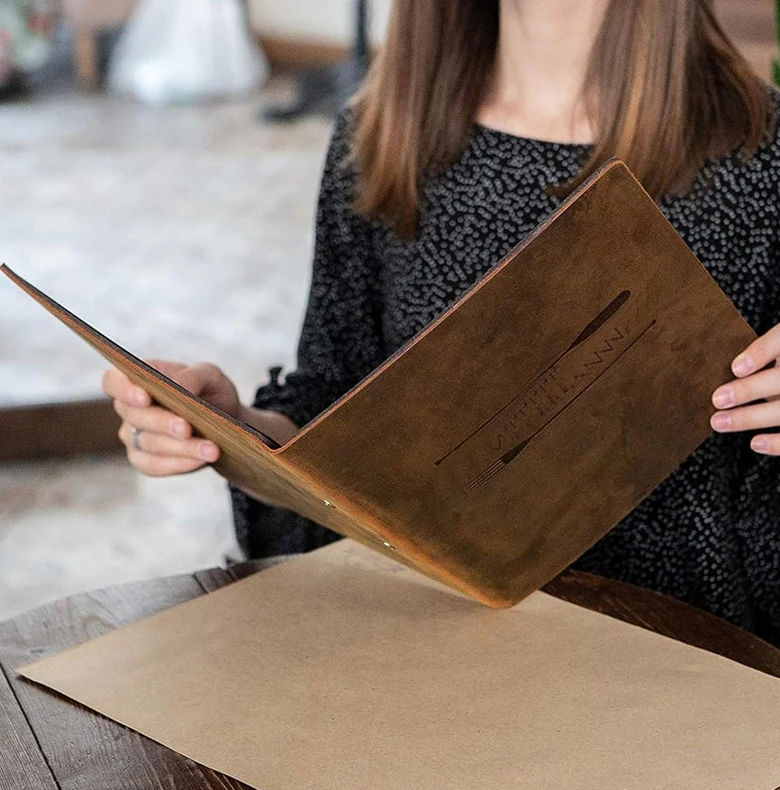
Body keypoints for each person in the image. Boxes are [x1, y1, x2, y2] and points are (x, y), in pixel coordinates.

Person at [103, 0, 780, 645]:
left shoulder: (762, 153)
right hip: (442, 655)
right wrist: (235, 435)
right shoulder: (380, 140)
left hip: (699, 654)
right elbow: (334, 422)